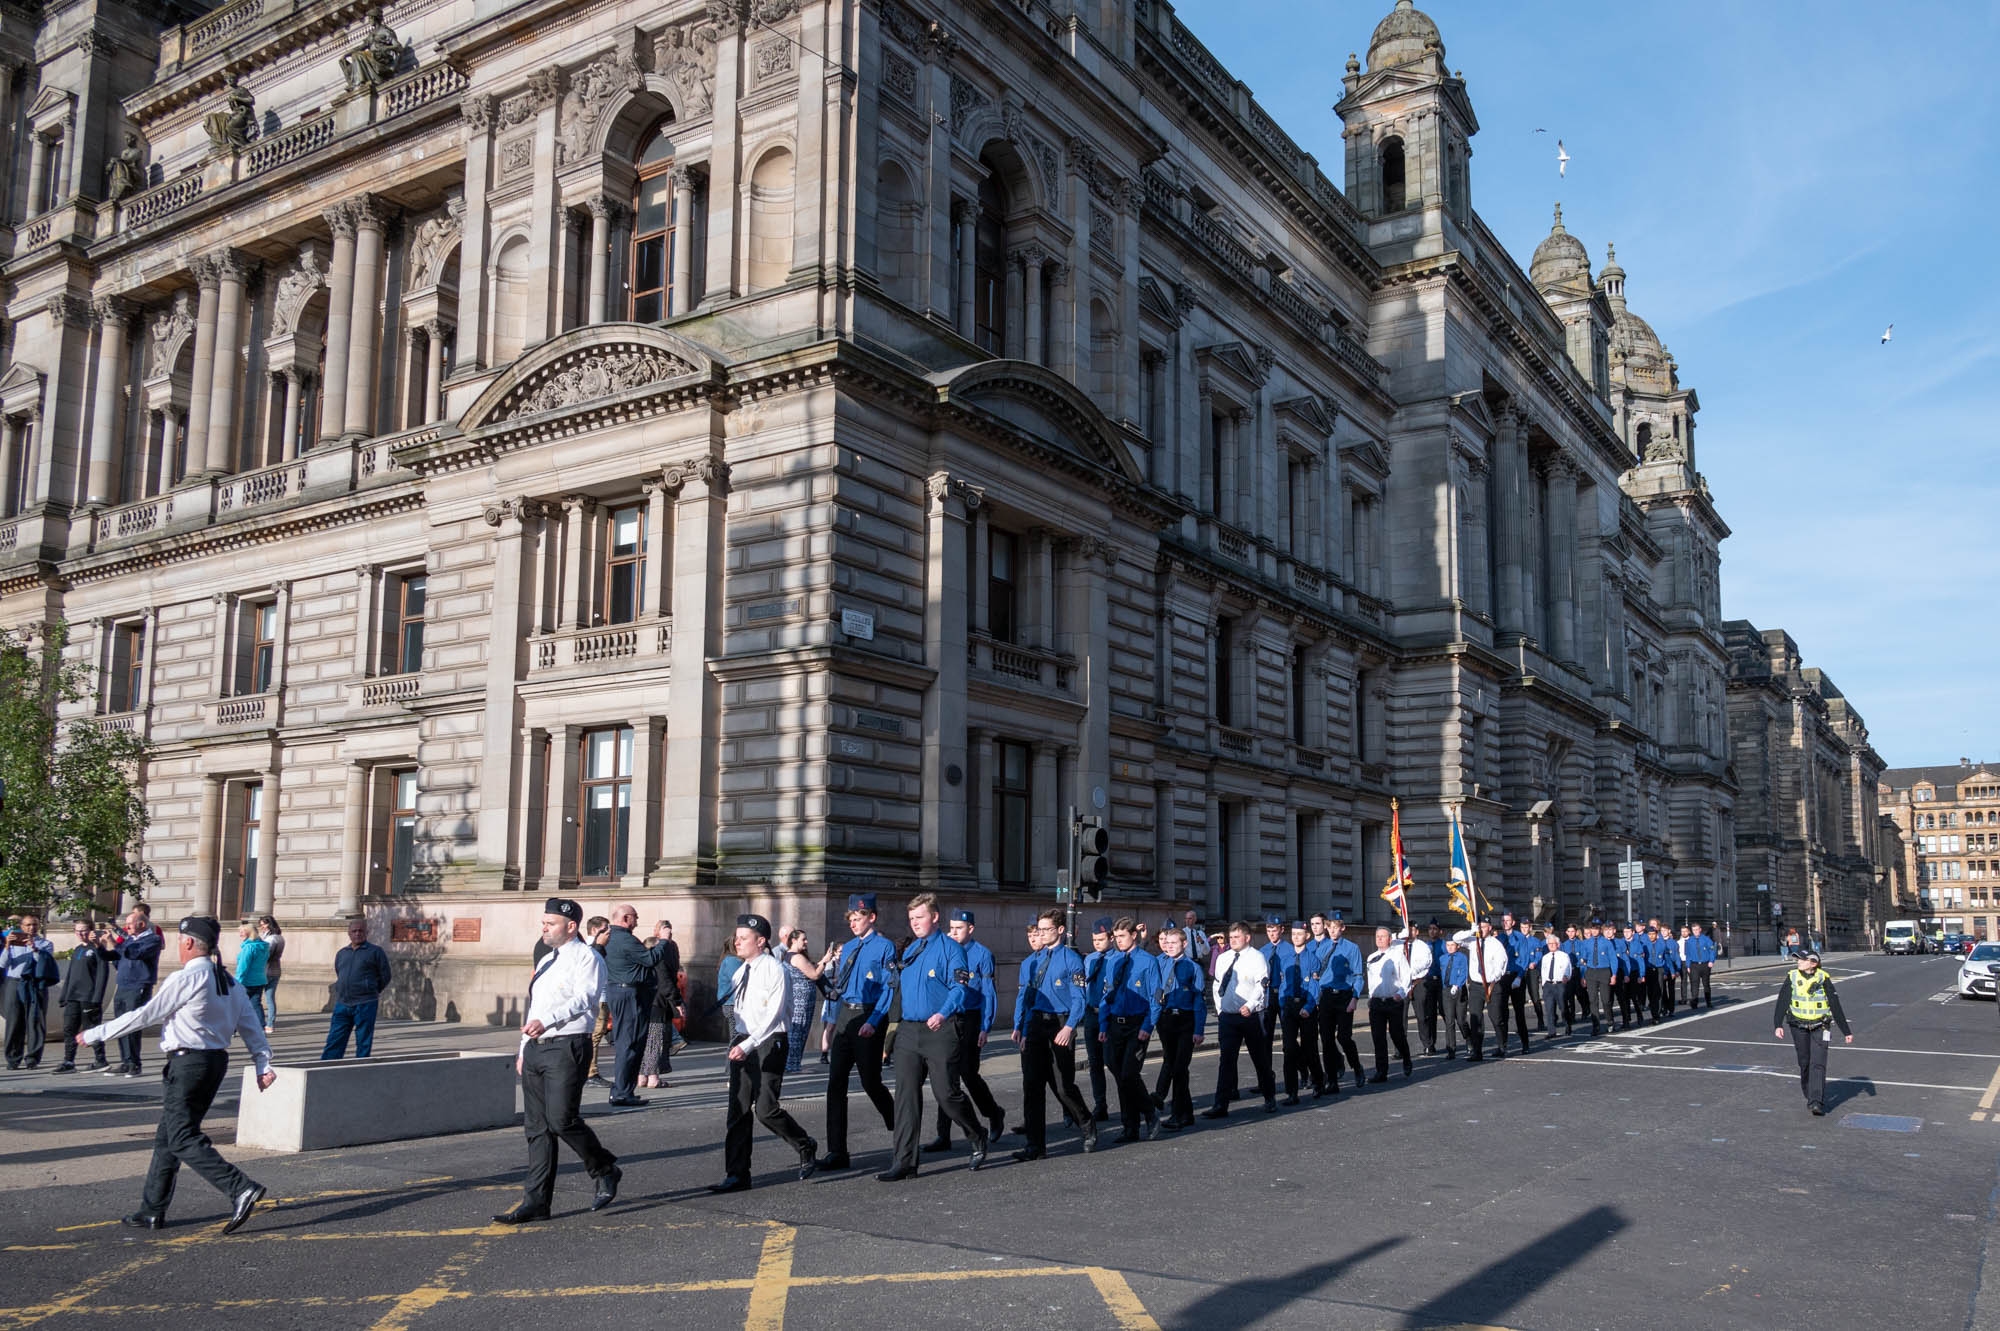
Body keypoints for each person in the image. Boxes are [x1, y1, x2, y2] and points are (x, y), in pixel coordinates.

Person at [80, 916, 275, 1233]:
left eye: (179, 940)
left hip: (188, 1064)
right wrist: (262, 1064)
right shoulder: (229, 982)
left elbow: (145, 1015)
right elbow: (252, 1027)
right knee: (167, 1137)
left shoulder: (186, 978)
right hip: (213, 1063)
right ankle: (152, 1209)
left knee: (182, 1136)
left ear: (187, 942)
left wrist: (95, 1034)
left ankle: (240, 1187)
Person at [493, 899, 620, 1224]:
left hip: (567, 1047)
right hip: (537, 1048)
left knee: (561, 1119)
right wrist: (524, 1048)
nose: (544, 928)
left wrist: (548, 1020)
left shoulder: (587, 958)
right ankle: (536, 1202)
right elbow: (535, 1007)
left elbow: (585, 998)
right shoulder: (548, 959)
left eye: (550, 923)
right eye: (543, 923)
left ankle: (604, 1168)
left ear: (571, 926)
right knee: (536, 1129)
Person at [878, 894, 988, 1181]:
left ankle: (976, 1133)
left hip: (940, 1028)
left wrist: (942, 1013)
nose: (915, 923)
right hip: (909, 1031)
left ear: (935, 917)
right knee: (905, 1097)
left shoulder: (952, 950)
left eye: (920, 917)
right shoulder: (910, 950)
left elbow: (959, 988)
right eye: (911, 918)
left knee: (946, 1094)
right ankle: (904, 1162)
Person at [708, 914, 818, 1192]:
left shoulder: (774, 969)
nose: (737, 942)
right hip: (745, 1040)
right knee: (738, 1111)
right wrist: (739, 1041)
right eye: (737, 937)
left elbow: (774, 1014)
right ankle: (737, 1174)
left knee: (766, 1110)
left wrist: (747, 1045)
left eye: (743, 938)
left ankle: (804, 1144)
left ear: (761, 941)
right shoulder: (739, 970)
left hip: (770, 1041)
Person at [817, 894, 898, 1172]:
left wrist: (875, 1020)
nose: (853, 923)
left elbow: (888, 987)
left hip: (869, 1013)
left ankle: (899, 1126)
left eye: (858, 918)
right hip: (845, 1015)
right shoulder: (849, 947)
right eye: (850, 919)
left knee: (870, 1082)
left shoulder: (885, 947)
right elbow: (841, 985)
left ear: (871, 917)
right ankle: (837, 1151)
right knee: (835, 1084)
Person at [1010, 909, 1094, 1160]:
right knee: (1032, 1086)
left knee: (1062, 1086)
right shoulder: (1031, 962)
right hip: (1036, 1023)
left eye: (1046, 929)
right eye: (1039, 929)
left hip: (1060, 1023)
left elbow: (1080, 999)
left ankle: (1087, 1125)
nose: (1040, 933)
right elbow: (1027, 999)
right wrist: (1023, 1029)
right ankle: (1035, 1145)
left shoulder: (1071, 959)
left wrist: (1069, 1027)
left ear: (1059, 930)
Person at [925, 910, 1006, 1152]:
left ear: (970, 929)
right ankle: (943, 1135)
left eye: (959, 928)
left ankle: (993, 1112)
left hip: (971, 1018)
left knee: (968, 1074)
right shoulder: (945, 951)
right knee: (946, 1076)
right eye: (951, 927)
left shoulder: (982, 954)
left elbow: (988, 993)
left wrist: (985, 1026)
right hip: (948, 1017)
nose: (953, 932)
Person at [1096, 917, 1161, 1143]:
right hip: (1115, 1024)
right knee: (1119, 1075)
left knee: (1129, 1074)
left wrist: (1148, 1026)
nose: (1118, 941)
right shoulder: (1113, 961)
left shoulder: (1148, 962)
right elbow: (1107, 995)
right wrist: (1103, 1024)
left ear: (1134, 935)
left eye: (1123, 936)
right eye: (1116, 937)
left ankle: (1150, 1112)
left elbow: (1156, 998)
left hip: (1137, 1025)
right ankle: (1129, 1127)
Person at [1202, 922, 1276, 1119]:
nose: (1233, 940)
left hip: (1251, 1016)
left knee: (1259, 1058)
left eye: (1237, 937)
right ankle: (1221, 1104)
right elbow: (1217, 985)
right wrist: (1219, 1009)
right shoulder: (1223, 958)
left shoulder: (1257, 957)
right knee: (1226, 1060)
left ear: (1247, 937)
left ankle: (1269, 1097)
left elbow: (1262, 986)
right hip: (1228, 1017)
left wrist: (1250, 1006)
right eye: (1231, 937)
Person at [599, 905, 667, 1106]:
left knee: (628, 1042)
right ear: (626, 918)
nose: (636, 921)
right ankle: (621, 1092)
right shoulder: (625, 938)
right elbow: (650, 959)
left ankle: (623, 1090)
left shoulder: (611, 936)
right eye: (635, 917)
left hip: (619, 991)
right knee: (629, 1043)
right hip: (629, 994)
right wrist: (663, 941)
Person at [1772, 949, 1852, 1116]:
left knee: (1818, 1063)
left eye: (1801, 959)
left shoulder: (1823, 978)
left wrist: (1846, 1031)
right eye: (1797, 959)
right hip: (1797, 1025)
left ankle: (1816, 1101)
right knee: (1805, 1062)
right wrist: (1777, 1024)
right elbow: (1783, 1000)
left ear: (1813, 963)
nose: (1798, 962)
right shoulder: (1792, 976)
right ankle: (1810, 1093)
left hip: (1820, 1026)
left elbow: (1835, 1004)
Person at [1150, 921, 1207, 1132]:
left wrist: (1199, 1030)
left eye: (1175, 942)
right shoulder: (1158, 963)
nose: (1170, 945)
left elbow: (1199, 1001)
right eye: (1167, 942)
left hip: (1186, 1021)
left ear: (1184, 944)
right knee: (1172, 1064)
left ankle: (1177, 1113)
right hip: (1166, 1020)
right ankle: (1188, 1114)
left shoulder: (1193, 968)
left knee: (1180, 1068)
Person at [321, 918, 391, 1060]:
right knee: (335, 1038)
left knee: (363, 1040)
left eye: (361, 931)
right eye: (354, 931)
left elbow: (385, 975)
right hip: (342, 1003)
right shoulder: (342, 953)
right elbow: (339, 972)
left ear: (367, 932)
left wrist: (371, 989)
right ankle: (327, 1066)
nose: (357, 934)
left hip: (365, 1002)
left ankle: (360, 1067)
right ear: (349, 933)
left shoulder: (375, 952)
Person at [108, 908, 163, 1076]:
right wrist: (99, 946)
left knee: (132, 1025)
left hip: (138, 986)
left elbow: (135, 953)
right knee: (120, 1024)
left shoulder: (153, 939)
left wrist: (116, 943)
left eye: (130, 924)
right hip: (123, 985)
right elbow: (116, 956)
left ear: (142, 924)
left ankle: (134, 1063)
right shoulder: (129, 939)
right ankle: (125, 1061)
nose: (127, 928)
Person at [1314, 912, 1365, 1091]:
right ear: (1326, 928)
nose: (1333, 931)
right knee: (1326, 1040)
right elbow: (1315, 972)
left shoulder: (1352, 948)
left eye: (1337, 927)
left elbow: (1358, 975)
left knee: (1344, 1037)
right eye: (1330, 927)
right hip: (1326, 996)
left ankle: (1357, 1067)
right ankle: (1332, 1079)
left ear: (1342, 928)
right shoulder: (1321, 948)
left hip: (1344, 996)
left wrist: (1355, 998)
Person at [56, 922, 115, 1072]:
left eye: (84, 931)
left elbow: (103, 974)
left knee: (92, 1029)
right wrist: (64, 995)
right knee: (70, 1028)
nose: (81, 934)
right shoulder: (77, 950)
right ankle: (69, 1061)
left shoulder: (96, 949)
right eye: (77, 931)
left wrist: (97, 998)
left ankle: (100, 1060)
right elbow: (71, 975)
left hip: (89, 997)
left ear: (91, 931)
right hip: (73, 997)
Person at [2, 915, 59, 1069]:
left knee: (36, 1021)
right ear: (21, 926)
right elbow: (3, 964)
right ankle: (13, 1058)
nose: (31, 928)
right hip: (15, 982)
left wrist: (34, 948)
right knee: (14, 1021)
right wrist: (7, 946)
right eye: (27, 925)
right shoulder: (13, 943)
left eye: (34, 925)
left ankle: (32, 1058)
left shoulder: (45, 944)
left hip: (35, 984)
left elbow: (44, 962)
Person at [1271, 920, 1317, 1105]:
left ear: (1307, 936)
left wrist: (1308, 1008)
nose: (1296, 937)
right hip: (1289, 1006)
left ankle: (1318, 1082)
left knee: (1310, 1049)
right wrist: (1282, 1005)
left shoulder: (1312, 958)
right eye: (1293, 934)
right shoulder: (1286, 958)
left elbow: (1314, 985)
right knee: (1289, 1049)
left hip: (1306, 1006)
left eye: (1299, 934)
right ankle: (1292, 1092)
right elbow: (1283, 984)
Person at [1364, 926, 1414, 1082]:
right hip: (1377, 1002)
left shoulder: (1397, 955)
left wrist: (1401, 993)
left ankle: (1406, 1057)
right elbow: (1372, 981)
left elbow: (1406, 976)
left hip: (1393, 1001)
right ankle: (1381, 1072)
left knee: (1396, 1034)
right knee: (1378, 1038)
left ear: (1389, 939)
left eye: (1383, 936)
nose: (1379, 939)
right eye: (1377, 936)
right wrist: (1371, 998)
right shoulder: (1371, 957)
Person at [639, 920, 681, 1089]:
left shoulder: (646, 958)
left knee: (648, 1040)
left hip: (647, 1001)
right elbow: (666, 982)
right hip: (658, 1003)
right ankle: (653, 1077)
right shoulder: (659, 959)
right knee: (655, 1041)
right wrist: (677, 1001)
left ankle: (642, 1075)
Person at [1079, 918, 1113, 1122]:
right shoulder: (1089, 959)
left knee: (1113, 1062)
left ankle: (1130, 1103)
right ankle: (1100, 1104)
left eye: (1101, 939)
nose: (1097, 943)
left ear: (1111, 937)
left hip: (1109, 1015)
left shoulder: (1118, 958)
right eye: (1094, 939)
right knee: (1095, 1063)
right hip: (1092, 1014)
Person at [1466, 919, 1511, 1062]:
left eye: (1483, 927)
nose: (1481, 929)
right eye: (1479, 927)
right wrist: (1471, 930)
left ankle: (1502, 1045)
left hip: (1492, 984)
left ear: (1490, 928)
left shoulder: (1496, 945)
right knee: (1475, 1018)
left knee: (1496, 1017)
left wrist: (1492, 979)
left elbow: (1501, 965)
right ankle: (1477, 1051)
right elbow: (1456, 938)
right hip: (1475, 985)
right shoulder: (1473, 941)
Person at [779, 929, 820, 1075]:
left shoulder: (790, 956)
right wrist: (826, 961)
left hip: (799, 1000)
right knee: (798, 1032)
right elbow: (814, 974)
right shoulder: (796, 957)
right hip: (800, 1001)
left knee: (798, 1032)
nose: (806, 942)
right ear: (794, 940)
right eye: (804, 939)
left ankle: (793, 1064)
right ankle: (793, 1065)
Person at [1577, 919, 1615, 1037]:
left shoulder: (1607, 943)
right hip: (1591, 972)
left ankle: (1609, 1021)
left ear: (1600, 929)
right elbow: (1583, 960)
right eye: (1592, 928)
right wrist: (1583, 976)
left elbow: (1613, 959)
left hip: (1604, 971)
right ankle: (1596, 1025)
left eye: (1596, 928)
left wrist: (1614, 974)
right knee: (1593, 1000)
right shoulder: (1586, 943)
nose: (1594, 930)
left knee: (1606, 1000)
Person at [232, 922, 271, 1033]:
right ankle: (261, 1027)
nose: (240, 934)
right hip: (260, 979)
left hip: (246, 981)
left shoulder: (249, 948)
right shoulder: (263, 947)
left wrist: (237, 982)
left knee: (237, 1005)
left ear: (249, 933)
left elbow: (243, 967)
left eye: (242, 932)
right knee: (256, 1004)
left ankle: (233, 1028)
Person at [1416, 919, 1446, 1054]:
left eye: (1434, 929)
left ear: (1440, 931)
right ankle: (1431, 1044)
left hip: (1441, 981)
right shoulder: (1425, 945)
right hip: (1428, 981)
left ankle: (1452, 1040)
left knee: (1445, 1011)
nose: (1431, 931)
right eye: (1430, 929)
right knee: (1430, 1013)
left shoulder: (1444, 945)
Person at [1438, 932, 1469, 1059]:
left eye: (1452, 945)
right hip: (1446, 991)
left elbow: (1464, 972)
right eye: (1448, 945)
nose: (1450, 947)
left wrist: (1457, 985)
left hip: (1459, 989)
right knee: (1449, 1021)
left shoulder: (1462, 957)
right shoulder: (1442, 958)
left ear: (1457, 946)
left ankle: (1469, 1041)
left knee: (1461, 1020)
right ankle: (1451, 1048)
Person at [1537, 933, 1575, 1037]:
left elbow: (1568, 968)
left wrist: (1566, 977)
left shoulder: (1564, 956)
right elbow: (1543, 971)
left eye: (1553, 944)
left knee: (1563, 1007)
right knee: (1549, 1009)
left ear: (1558, 944)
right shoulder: (1545, 957)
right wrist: (1544, 984)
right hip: (1548, 985)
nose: (1551, 946)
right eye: (1549, 944)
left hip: (1559, 984)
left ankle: (1567, 1025)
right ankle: (1551, 1031)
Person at [257, 917, 284, 1034]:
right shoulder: (280, 937)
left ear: (269, 925)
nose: (262, 927)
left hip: (265, 971)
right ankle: (270, 1023)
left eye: (263, 925)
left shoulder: (270, 939)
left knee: (256, 998)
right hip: (276, 970)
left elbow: (265, 955)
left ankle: (264, 1023)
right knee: (270, 999)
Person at [1685, 923, 1717, 1010]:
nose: (1695, 931)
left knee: (1706, 984)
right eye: (1693, 930)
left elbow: (1712, 950)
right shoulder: (1689, 941)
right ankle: (1694, 1002)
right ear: (1691, 931)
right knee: (1694, 984)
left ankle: (1708, 1002)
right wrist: (1688, 965)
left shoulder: (1706, 939)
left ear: (1700, 929)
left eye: (1697, 929)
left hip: (1705, 964)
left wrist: (1711, 961)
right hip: (1694, 965)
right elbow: (1687, 954)